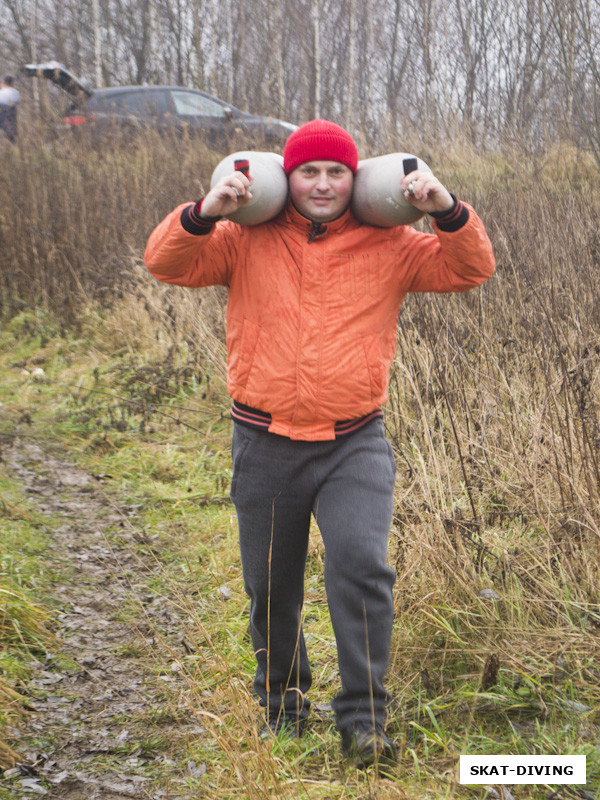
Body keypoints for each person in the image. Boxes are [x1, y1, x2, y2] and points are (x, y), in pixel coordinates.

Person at [144, 119, 495, 767]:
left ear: (356, 178)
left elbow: (471, 269)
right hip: (264, 440)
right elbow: (166, 264)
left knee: (362, 568)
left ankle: (365, 720)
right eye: (310, 172)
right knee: (271, 583)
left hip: (353, 442)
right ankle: (281, 705)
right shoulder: (241, 240)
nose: (324, 184)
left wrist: (445, 209)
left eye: (337, 172)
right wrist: (205, 211)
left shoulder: (391, 245)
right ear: (288, 176)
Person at [0, 76, 20, 143]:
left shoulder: (2, 93)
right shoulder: (16, 93)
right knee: (10, 136)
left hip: (3, 117)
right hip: (12, 117)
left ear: (4, 83)